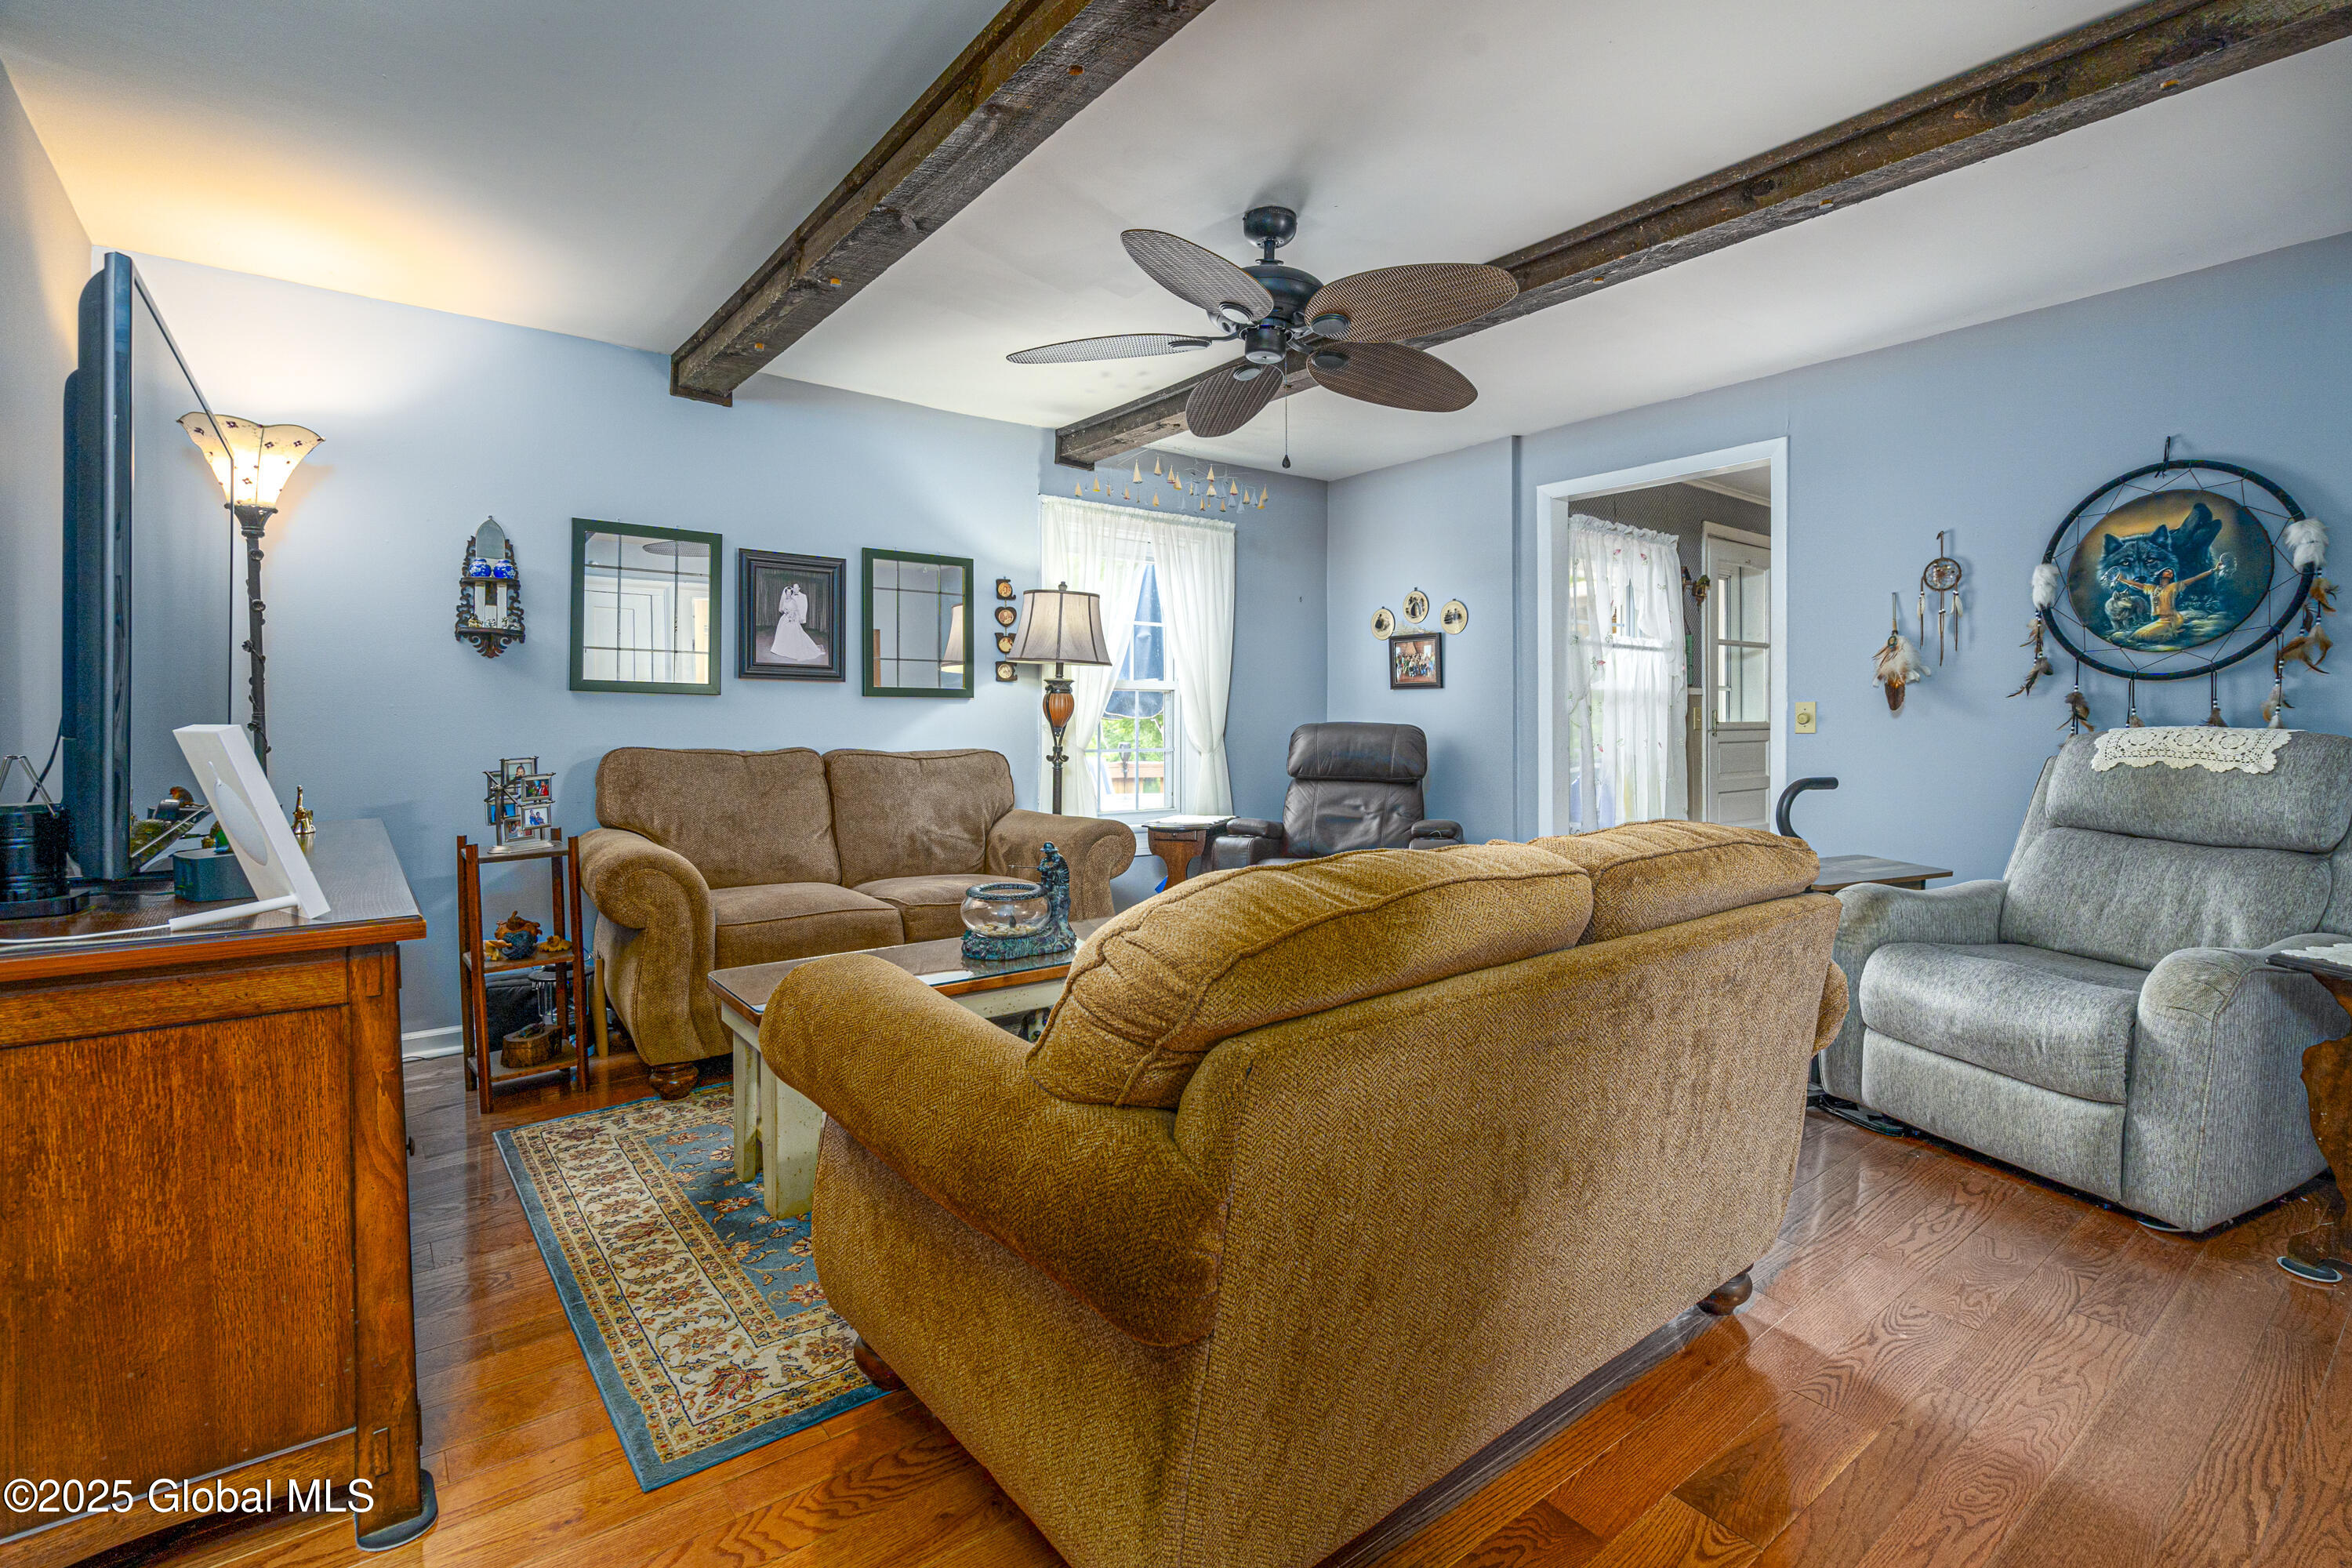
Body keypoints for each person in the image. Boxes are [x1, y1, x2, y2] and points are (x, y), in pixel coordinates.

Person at [2119, 564, 2213, 641]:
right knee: (2137, 635)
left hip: (2173, 619)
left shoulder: (2174, 586)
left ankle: (2172, 633)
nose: (2170, 573)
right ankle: (2171, 632)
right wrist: (2121, 579)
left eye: (2171, 573)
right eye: (2167, 571)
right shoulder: (2152, 588)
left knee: (2147, 636)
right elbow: (2134, 584)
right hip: (2161, 620)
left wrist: (2212, 571)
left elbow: (2195, 578)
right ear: (2161, 573)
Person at [768, 581, 824, 662]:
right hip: (785, 618)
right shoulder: (784, 601)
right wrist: (786, 611)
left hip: (793, 619)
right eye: (787, 593)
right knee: (783, 632)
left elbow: (797, 610)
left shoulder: (794, 601)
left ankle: (794, 650)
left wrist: (794, 617)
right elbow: (782, 609)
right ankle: (783, 649)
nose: (788, 594)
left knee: (795, 634)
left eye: (790, 593)